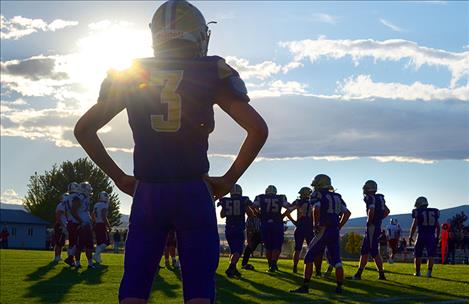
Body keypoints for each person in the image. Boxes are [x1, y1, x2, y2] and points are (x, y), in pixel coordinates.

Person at [73, 0, 268, 302]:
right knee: (200, 288)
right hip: (193, 190)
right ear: (200, 35)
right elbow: (258, 129)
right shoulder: (211, 71)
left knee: (135, 286)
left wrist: (120, 178)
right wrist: (228, 180)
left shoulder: (130, 73)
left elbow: (84, 129)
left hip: (148, 192)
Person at [290, 174, 351, 294]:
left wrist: (315, 224)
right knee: (337, 261)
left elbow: (316, 208)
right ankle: (339, 288)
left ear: (319, 184)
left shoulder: (317, 194)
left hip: (323, 229)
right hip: (334, 231)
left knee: (308, 258)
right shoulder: (337, 196)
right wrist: (339, 225)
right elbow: (347, 213)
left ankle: (305, 286)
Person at [352, 180, 390, 281]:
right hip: (376, 225)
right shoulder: (379, 198)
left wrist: (370, 221)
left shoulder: (369, 198)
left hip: (372, 227)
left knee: (374, 251)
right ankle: (358, 274)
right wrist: (379, 219)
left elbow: (371, 210)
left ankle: (382, 275)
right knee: (364, 251)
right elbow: (387, 211)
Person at [218, 184, 255, 278]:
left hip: (229, 229)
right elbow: (250, 214)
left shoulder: (226, 201)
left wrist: (226, 208)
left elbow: (222, 215)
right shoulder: (243, 200)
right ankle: (231, 268)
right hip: (238, 229)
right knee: (238, 251)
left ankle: (234, 269)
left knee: (233, 251)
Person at [253, 185, 290, 272]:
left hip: (265, 224)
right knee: (277, 245)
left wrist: (258, 214)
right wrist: (282, 216)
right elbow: (289, 207)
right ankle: (273, 264)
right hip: (277, 224)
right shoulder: (280, 197)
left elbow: (253, 206)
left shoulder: (260, 197)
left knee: (268, 247)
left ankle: (271, 264)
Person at [285, 187, 314, 273]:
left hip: (300, 227)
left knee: (297, 249)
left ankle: (295, 267)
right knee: (312, 249)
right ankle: (315, 269)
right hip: (309, 228)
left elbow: (287, 212)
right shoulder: (313, 202)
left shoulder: (298, 202)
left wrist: (293, 221)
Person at [409, 196, 440, 277]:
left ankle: (418, 272)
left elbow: (414, 225)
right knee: (431, 255)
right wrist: (437, 236)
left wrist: (410, 235)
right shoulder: (434, 211)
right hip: (431, 235)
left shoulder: (418, 211)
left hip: (421, 235)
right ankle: (429, 273)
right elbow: (438, 226)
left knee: (417, 255)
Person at [73, 182, 96, 269]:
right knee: (79, 245)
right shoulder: (78, 197)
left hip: (87, 224)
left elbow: (85, 211)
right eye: (88, 189)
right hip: (81, 225)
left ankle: (90, 264)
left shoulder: (85, 198)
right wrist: (80, 222)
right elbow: (73, 211)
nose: (89, 191)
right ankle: (77, 263)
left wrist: (90, 221)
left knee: (89, 245)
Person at [64, 182, 81, 267]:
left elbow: (67, 212)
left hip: (69, 221)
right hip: (74, 222)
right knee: (76, 242)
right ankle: (70, 258)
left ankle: (70, 259)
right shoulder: (75, 197)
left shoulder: (67, 198)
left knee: (72, 242)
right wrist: (80, 220)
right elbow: (73, 210)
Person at [93, 191, 111, 264]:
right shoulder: (104, 205)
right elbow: (104, 216)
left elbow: (93, 215)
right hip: (101, 225)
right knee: (106, 242)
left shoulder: (96, 205)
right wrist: (108, 226)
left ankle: (98, 258)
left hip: (97, 224)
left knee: (99, 243)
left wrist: (95, 222)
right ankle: (96, 255)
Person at [53, 193, 68, 262]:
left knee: (61, 242)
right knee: (58, 242)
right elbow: (58, 217)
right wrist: (62, 225)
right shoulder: (61, 205)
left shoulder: (64, 206)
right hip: (60, 225)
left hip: (62, 225)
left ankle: (58, 256)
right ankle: (56, 257)